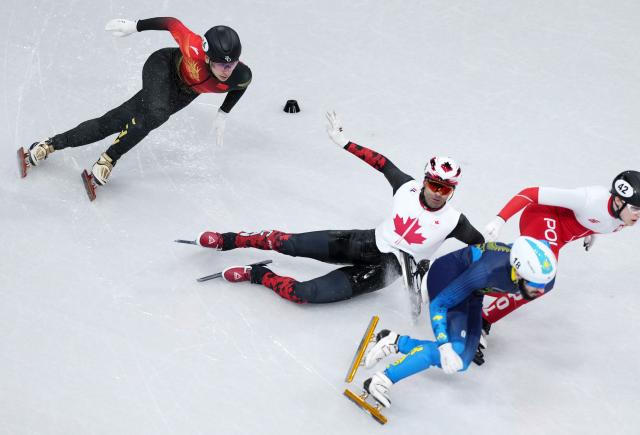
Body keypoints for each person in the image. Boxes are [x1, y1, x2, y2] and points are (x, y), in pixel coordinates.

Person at [186, 112, 484, 304]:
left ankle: (257, 275)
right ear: (424, 180)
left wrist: (463, 280)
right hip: (362, 242)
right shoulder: (405, 187)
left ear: (453, 191)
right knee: (284, 242)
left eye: (445, 189)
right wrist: (344, 142)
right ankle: (227, 240)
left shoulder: (455, 221)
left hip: (378, 274)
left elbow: (480, 247)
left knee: (305, 294)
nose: (437, 194)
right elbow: (381, 163)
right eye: (434, 185)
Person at [23, 17, 251, 186]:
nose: (227, 71)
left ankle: (54, 145)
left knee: (115, 121)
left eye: (231, 64)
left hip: (185, 94)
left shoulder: (240, 75)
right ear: (207, 56)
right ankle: (106, 158)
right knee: (157, 114)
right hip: (163, 66)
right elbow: (172, 23)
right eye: (222, 64)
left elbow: (241, 87)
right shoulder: (192, 47)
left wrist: (223, 113)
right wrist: (134, 26)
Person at [360, 236, 557, 408]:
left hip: (475, 290)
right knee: (452, 348)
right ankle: (381, 380)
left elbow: (538, 247)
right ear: (519, 271)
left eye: (542, 285)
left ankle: (394, 341)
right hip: (447, 277)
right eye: (533, 285)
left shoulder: (543, 277)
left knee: (462, 362)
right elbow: (440, 304)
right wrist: (443, 346)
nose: (539, 291)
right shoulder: (488, 270)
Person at [480, 171, 640, 331]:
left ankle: (475, 293)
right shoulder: (589, 199)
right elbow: (530, 193)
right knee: (540, 278)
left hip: (559, 236)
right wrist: (499, 220)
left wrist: (591, 231)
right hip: (543, 216)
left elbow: (602, 220)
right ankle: (480, 314)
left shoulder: (625, 215)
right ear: (618, 201)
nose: (638, 214)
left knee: (531, 281)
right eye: (635, 208)